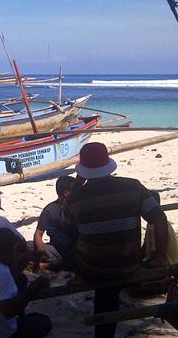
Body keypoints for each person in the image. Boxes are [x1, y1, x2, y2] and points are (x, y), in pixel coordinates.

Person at [64, 142, 169, 338]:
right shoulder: (133, 187)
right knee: (110, 285)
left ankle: (80, 276)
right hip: (128, 261)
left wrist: (77, 184)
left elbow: (66, 222)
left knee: (72, 237)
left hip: (92, 268)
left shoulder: (75, 199)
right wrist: (160, 254)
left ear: (83, 170)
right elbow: (159, 218)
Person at [0, 227, 52, 338]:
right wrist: (33, 289)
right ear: (13, 249)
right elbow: (8, 311)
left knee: (21, 280)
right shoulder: (2, 273)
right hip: (4, 333)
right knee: (44, 322)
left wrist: (23, 260)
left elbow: (2, 279)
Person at [32, 175, 76, 270]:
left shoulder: (78, 208)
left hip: (75, 250)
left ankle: (49, 266)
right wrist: (41, 250)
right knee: (29, 246)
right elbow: (38, 233)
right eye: (75, 189)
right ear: (66, 193)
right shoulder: (49, 210)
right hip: (55, 250)